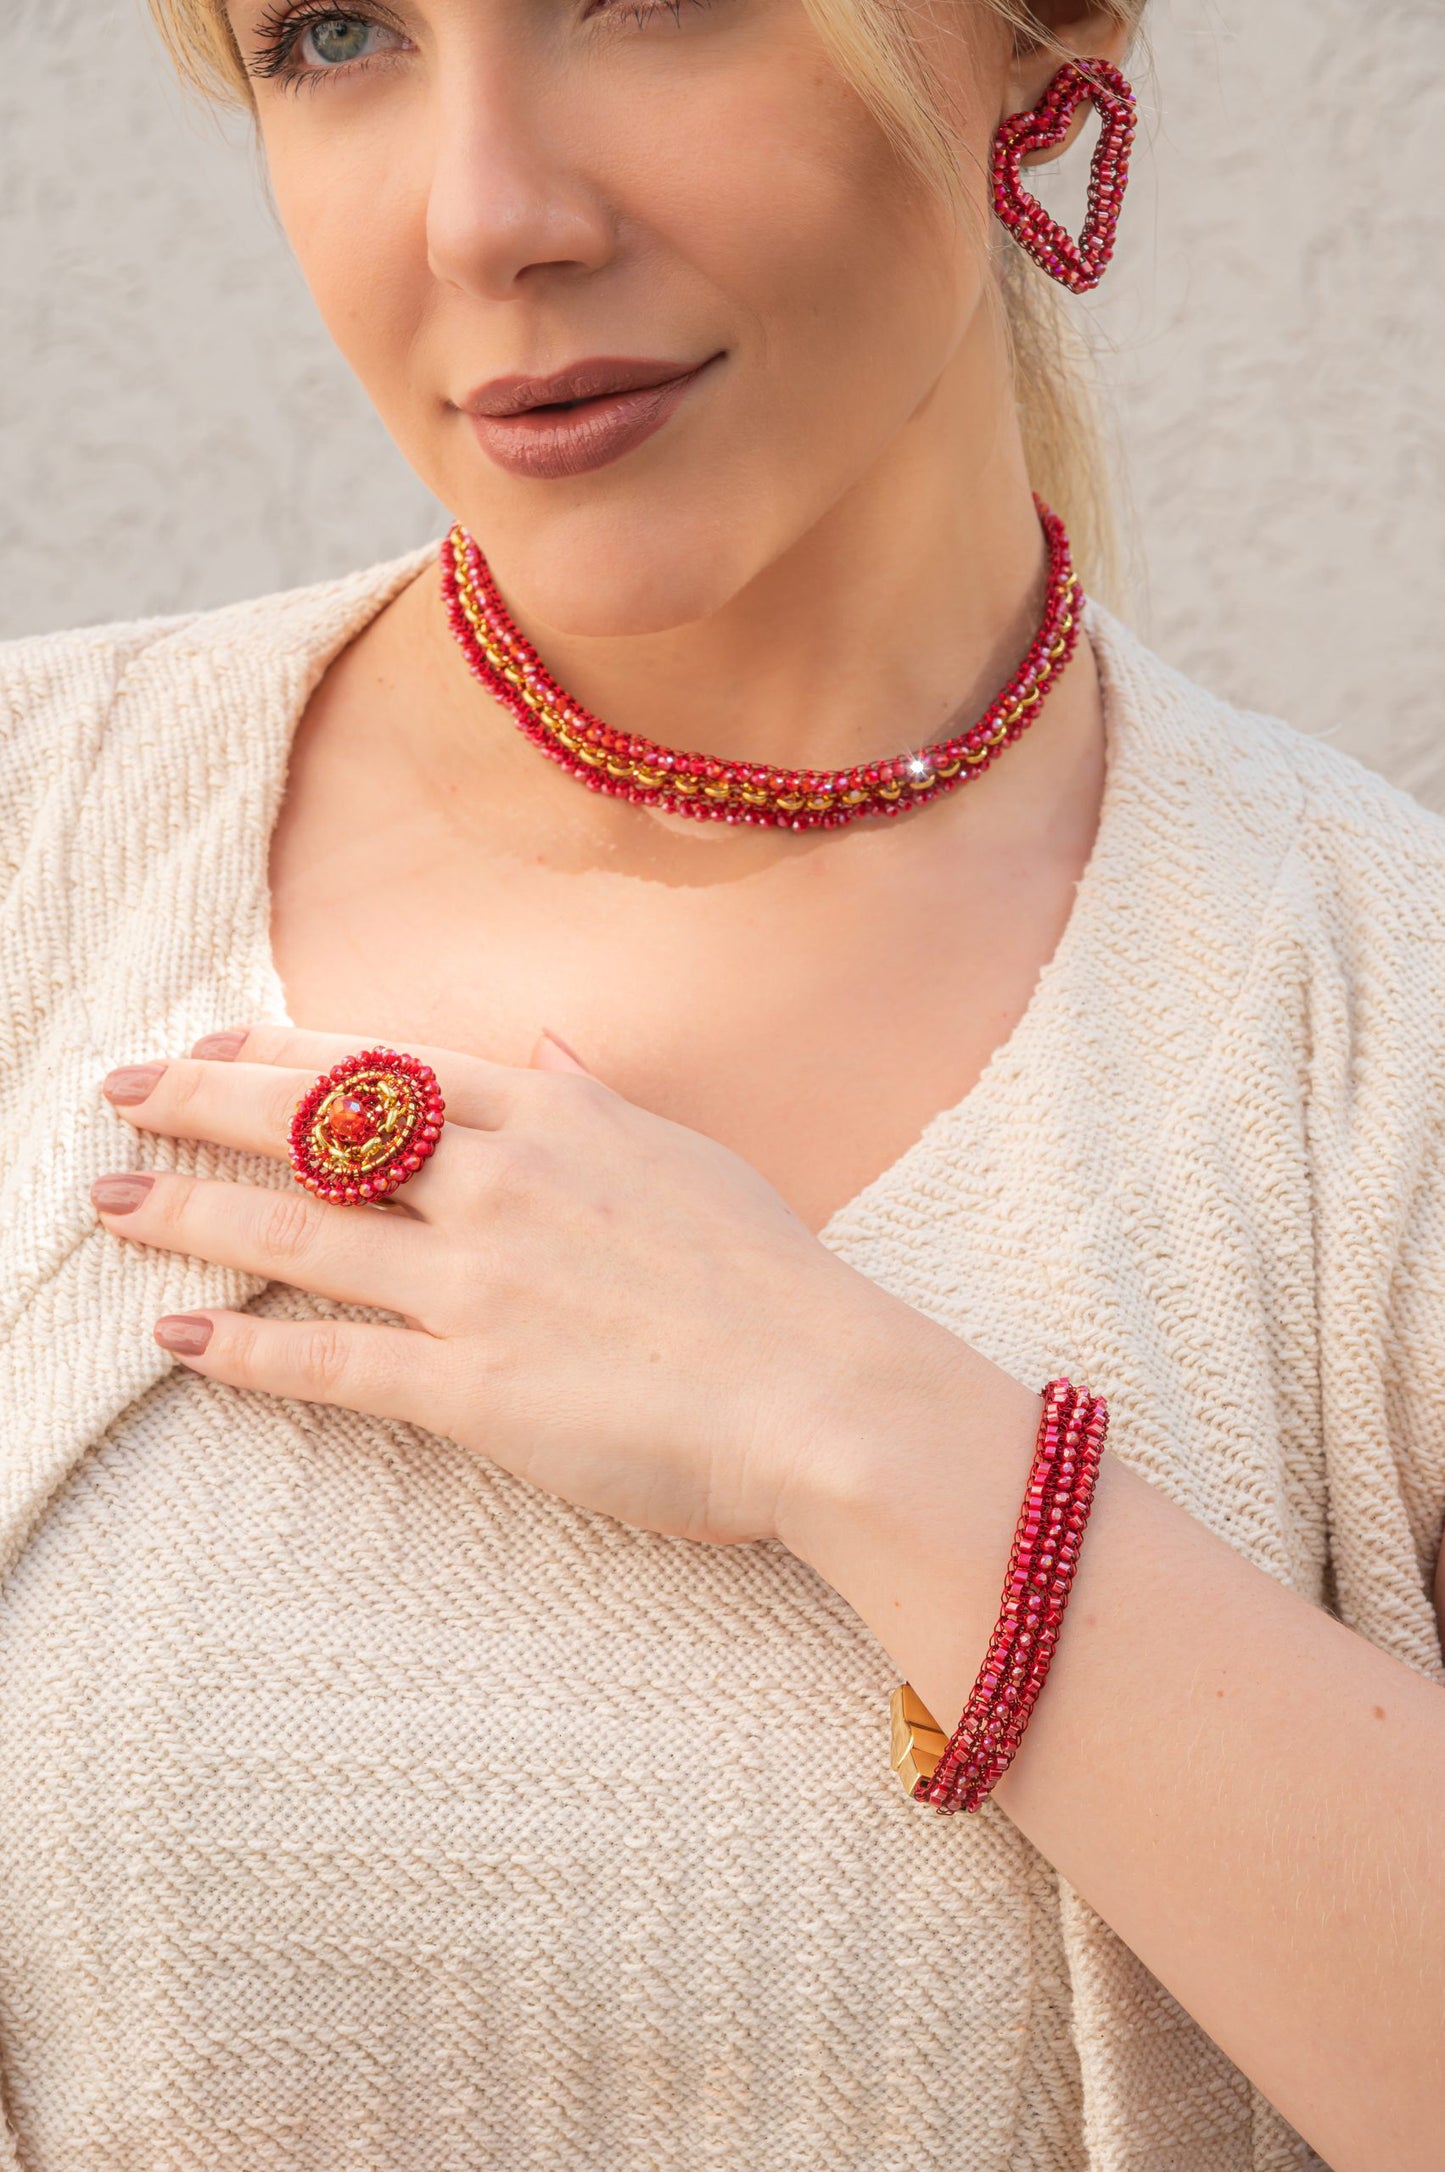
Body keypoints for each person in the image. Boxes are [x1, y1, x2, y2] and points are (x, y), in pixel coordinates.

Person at [1, 0, 1441, 2165]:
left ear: (1039, 41)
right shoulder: (41, 843)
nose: (489, 215)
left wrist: (846, 1422)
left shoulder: (1378, 1040)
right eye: (330, 34)